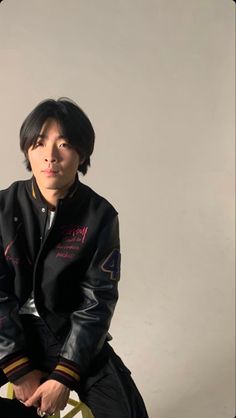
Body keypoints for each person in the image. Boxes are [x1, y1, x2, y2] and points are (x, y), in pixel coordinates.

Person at [0, 98, 148, 418]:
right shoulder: (3, 207)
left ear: (82, 153)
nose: (50, 156)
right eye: (40, 143)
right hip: (7, 332)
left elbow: (98, 301)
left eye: (64, 143)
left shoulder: (100, 216)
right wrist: (18, 370)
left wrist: (64, 375)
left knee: (128, 413)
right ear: (27, 149)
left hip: (69, 335)